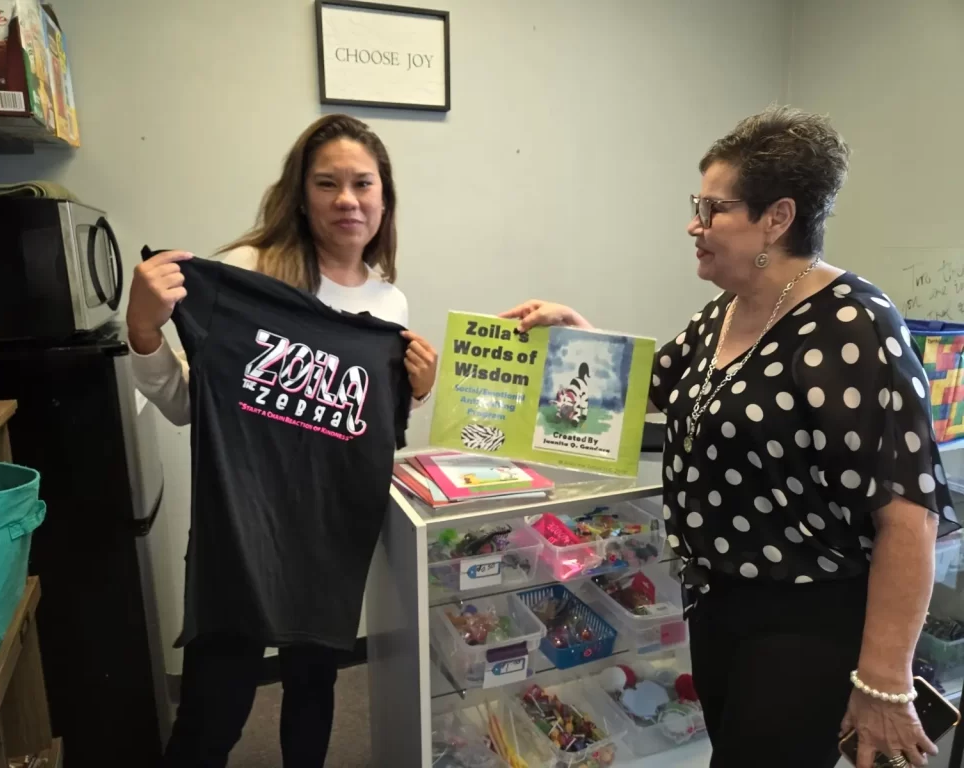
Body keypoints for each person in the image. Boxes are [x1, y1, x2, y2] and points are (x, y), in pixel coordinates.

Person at [501, 106, 960, 768]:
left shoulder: (853, 327)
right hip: (718, 601)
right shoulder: (726, 309)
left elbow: (909, 516)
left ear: (777, 217)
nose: (695, 224)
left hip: (806, 617)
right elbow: (657, 393)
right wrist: (579, 330)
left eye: (713, 209)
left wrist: (883, 681)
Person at [125, 114, 438, 768]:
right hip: (243, 521)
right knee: (215, 704)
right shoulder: (247, 274)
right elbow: (192, 406)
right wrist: (145, 333)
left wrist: (417, 389)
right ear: (301, 193)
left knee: (314, 687)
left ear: (385, 200)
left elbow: (358, 420)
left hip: (330, 529)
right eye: (327, 183)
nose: (346, 199)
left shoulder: (390, 306)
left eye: (362, 184)